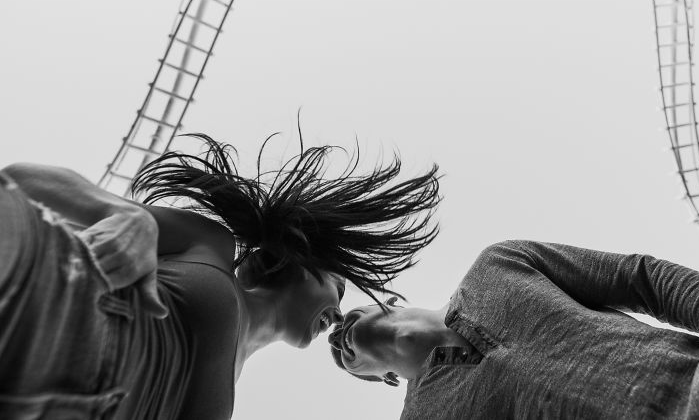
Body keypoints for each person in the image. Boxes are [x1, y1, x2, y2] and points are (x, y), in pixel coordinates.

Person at [0, 133, 441, 419]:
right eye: (339, 287)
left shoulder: (231, 390)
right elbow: (23, 180)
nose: (338, 316)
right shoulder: (210, 246)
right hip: (28, 279)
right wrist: (128, 219)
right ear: (299, 261)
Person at [329, 239, 699, 419]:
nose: (337, 339)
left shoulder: (495, 268)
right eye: (340, 358)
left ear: (389, 298)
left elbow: (642, 279)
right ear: (379, 380)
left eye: (343, 320)